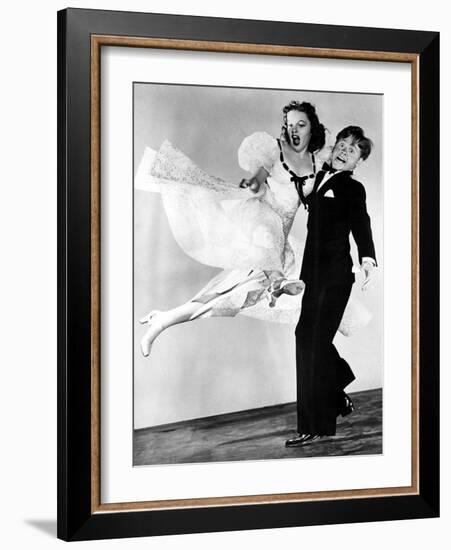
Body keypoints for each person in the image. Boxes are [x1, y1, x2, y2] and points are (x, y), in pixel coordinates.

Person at [135, 103, 371, 359]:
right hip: (260, 225)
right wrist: (254, 184)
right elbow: (259, 178)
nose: (294, 130)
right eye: (289, 124)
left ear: (312, 128)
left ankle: (162, 320)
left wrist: (362, 254)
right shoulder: (274, 152)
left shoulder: (319, 162)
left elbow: (340, 171)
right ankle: (277, 282)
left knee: (225, 297)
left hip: (279, 243)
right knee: (268, 243)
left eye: (301, 124)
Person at [285, 126, 377, 447]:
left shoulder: (353, 188)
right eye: (342, 144)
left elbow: (361, 222)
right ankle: (336, 398)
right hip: (312, 275)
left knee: (313, 341)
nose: (344, 150)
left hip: (337, 276)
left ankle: (318, 423)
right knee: (306, 339)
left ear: (358, 162)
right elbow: (301, 186)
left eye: (353, 150)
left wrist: (367, 258)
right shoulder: (320, 179)